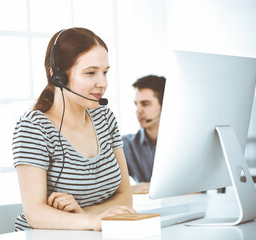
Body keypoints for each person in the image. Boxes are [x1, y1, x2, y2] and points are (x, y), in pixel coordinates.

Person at [12, 27, 135, 232]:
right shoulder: (33, 128)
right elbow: (35, 213)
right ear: (57, 75)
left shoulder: (105, 119)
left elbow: (125, 199)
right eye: (90, 73)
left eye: (105, 72)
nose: (102, 83)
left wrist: (84, 214)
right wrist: (94, 221)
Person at [122, 75, 166, 194]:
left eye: (145, 104)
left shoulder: (185, 143)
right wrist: (130, 189)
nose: (138, 111)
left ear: (165, 105)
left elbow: (199, 191)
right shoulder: (126, 144)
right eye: (136, 104)